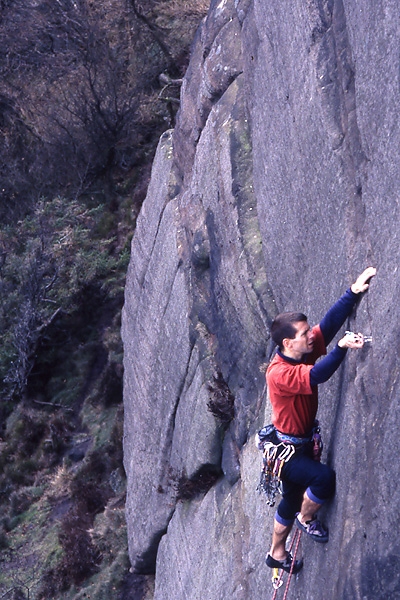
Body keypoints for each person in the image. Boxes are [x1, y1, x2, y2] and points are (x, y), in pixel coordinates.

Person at [264, 267, 376, 574]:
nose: (308, 335)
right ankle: (307, 518)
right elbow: (318, 375)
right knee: (322, 479)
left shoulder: (300, 351)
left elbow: (326, 327)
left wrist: (353, 292)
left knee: (289, 498)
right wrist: (341, 348)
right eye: (302, 334)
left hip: (290, 443)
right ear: (288, 343)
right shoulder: (280, 373)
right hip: (288, 451)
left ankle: (276, 552)